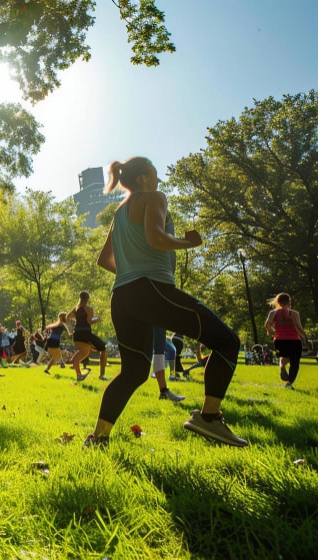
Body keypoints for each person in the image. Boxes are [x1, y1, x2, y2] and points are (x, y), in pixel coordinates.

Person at [89, 156, 246, 447]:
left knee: (134, 371)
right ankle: (209, 418)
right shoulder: (153, 197)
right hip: (151, 290)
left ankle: (98, 438)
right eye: (156, 173)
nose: (159, 179)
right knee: (227, 341)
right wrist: (189, 243)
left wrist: (131, 272)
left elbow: (103, 260)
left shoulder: (120, 213)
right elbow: (156, 237)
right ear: (144, 178)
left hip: (122, 297)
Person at [264, 292, 307, 389]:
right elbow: (298, 327)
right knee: (294, 363)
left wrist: (271, 332)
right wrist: (305, 336)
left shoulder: (273, 312)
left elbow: (267, 324)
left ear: (277, 302)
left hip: (279, 340)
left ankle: (282, 367)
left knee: (284, 357)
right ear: (289, 302)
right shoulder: (294, 313)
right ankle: (289, 383)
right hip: (294, 341)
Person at [67, 291, 108, 381]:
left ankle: (79, 375)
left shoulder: (76, 308)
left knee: (84, 353)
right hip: (86, 334)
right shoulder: (88, 309)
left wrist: (72, 327)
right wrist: (98, 319)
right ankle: (102, 375)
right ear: (87, 299)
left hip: (77, 335)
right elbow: (89, 321)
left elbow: (67, 317)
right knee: (103, 348)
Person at [152, 326, 185, 402]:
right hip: (155, 320)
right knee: (160, 351)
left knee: (170, 350)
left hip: (159, 323)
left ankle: (164, 390)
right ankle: (164, 390)